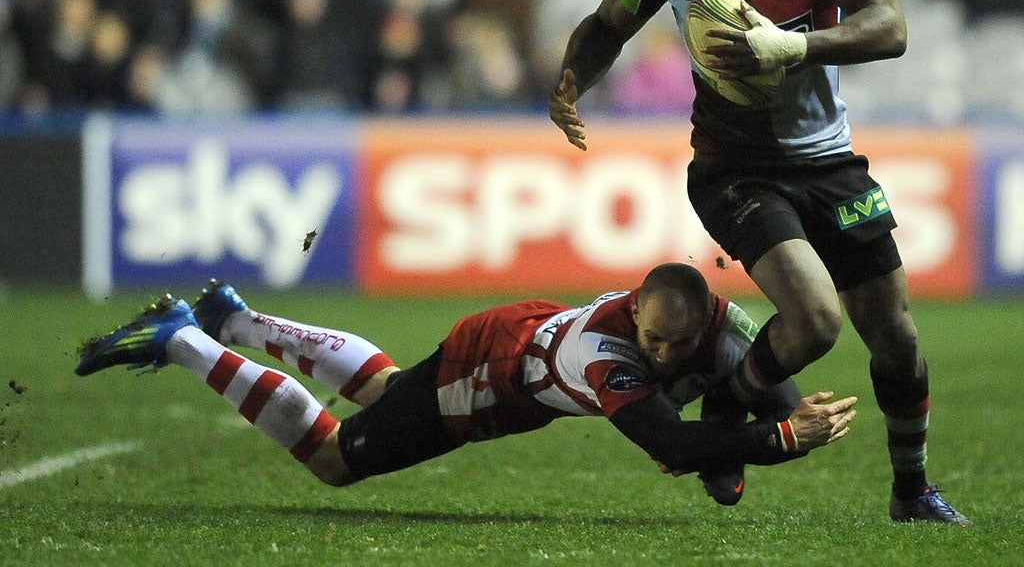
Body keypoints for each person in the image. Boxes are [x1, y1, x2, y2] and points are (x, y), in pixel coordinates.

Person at [548, 0, 971, 526]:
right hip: (734, 170)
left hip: (829, 161)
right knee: (814, 319)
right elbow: (606, 25)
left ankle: (912, 491)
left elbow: (890, 25)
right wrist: (569, 83)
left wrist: (795, 46)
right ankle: (729, 403)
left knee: (896, 335)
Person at [75, 263, 858, 504]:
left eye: (674, 343)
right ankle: (181, 340)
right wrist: (780, 440)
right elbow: (668, 444)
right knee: (336, 458)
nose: (660, 353)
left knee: (386, 391)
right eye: (652, 339)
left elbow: (769, 380)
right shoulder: (607, 356)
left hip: (514, 334)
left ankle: (235, 321)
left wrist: (775, 420)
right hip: (495, 377)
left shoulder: (721, 321)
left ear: (703, 320)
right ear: (638, 319)